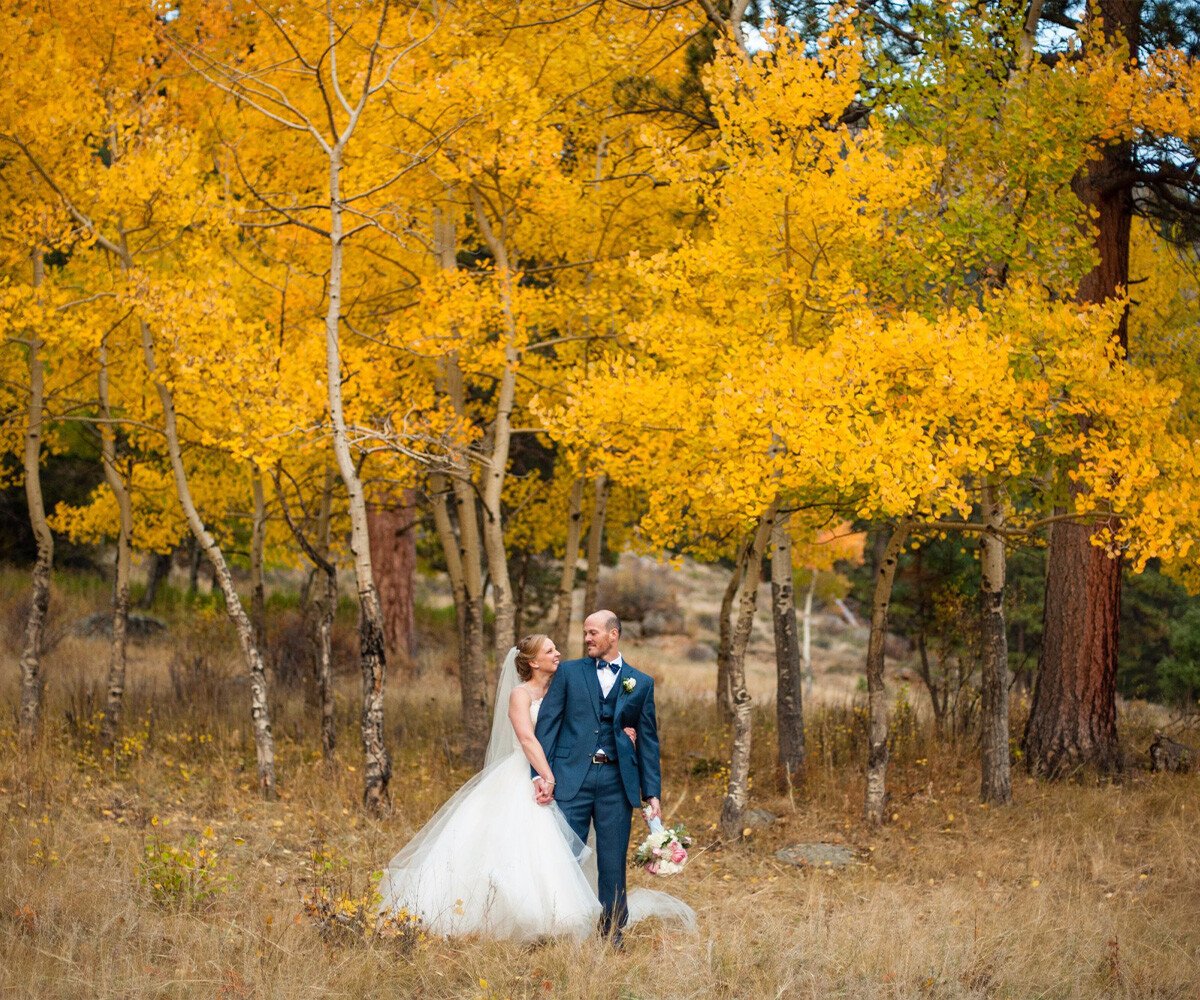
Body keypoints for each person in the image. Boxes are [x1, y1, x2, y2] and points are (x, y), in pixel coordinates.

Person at [376, 634, 601, 941]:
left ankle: (552, 920)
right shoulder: (520, 695)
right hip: (523, 775)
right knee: (515, 844)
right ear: (534, 662)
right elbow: (526, 739)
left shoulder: (560, 688)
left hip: (557, 773)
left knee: (546, 847)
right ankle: (505, 918)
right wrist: (545, 776)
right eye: (550, 650)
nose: (558, 653)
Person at [533, 610, 692, 947]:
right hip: (570, 777)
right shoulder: (569, 673)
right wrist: (540, 775)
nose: (587, 639)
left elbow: (648, 741)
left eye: (593, 633)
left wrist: (652, 793)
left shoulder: (641, 682)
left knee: (612, 859)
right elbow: (547, 725)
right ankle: (560, 929)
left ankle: (611, 933)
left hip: (617, 782)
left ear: (613, 634)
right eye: (586, 634)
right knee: (565, 855)